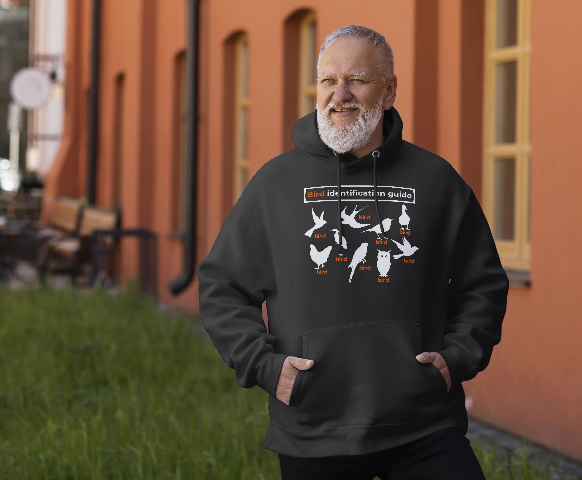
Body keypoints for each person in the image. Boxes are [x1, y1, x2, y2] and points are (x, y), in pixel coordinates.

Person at [197, 24, 509, 480]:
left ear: (389, 90)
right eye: (327, 80)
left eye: (358, 80)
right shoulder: (275, 184)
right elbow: (223, 285)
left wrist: (456, 358)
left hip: (423, 422)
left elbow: (482, 283)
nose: (339, 94)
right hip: (314, 426)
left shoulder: (437, 182)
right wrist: (265, 366)